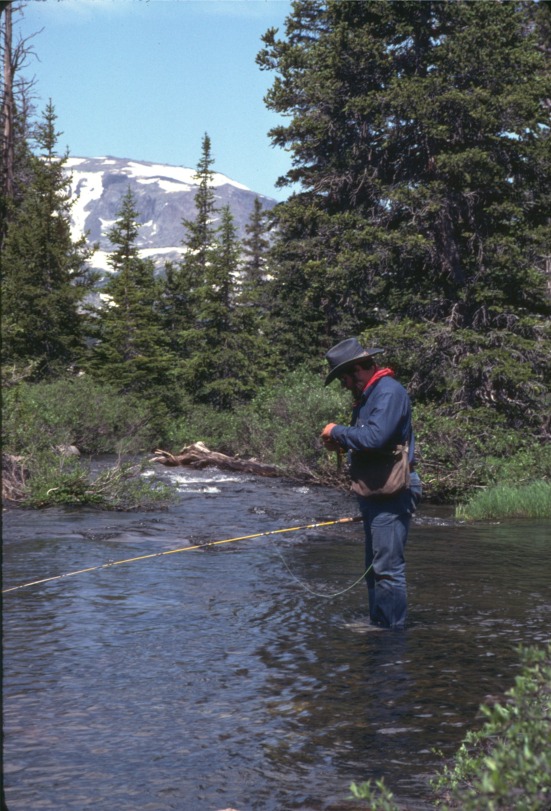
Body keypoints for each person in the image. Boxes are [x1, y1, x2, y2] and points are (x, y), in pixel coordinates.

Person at [321, 337, 422, 630]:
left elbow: (376, 437)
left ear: (357, 370)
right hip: (377, 490)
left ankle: (392, 634)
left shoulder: (388, 392)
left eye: (343, 379)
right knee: (374, 568)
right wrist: (341, 442)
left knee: (387, 569)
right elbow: (372, 440)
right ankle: (379, 626)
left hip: (394, 490)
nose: (344, 386)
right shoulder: (370, 395)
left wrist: (336, 431)